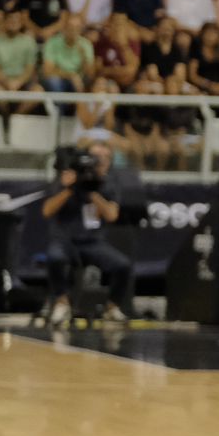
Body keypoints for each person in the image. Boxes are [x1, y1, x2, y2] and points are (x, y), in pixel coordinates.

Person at [40, 137, 135, 325]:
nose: (100, 162)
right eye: (96, 157)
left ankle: (112, 307)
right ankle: (62, 302)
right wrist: (69, 189)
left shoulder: (109, 184)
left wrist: (93, 191)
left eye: (105, 158)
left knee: (123, 265)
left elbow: (111, 215)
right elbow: (47, 211)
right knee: (55, 257)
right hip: (64, 239)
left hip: (92, 242)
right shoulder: (65, 177)